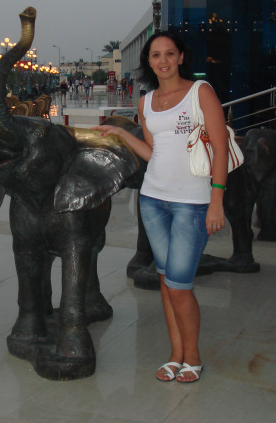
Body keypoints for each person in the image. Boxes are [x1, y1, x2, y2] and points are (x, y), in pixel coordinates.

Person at [93, 31, 228, 384]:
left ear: (181, 57)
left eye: (170, 53)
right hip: (153, 200)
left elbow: (221, 148)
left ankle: (193, 357)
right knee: (167, 282)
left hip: (192, 204)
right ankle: (175, 354)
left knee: (180, 285)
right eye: (156, 55)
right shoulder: (147, 101)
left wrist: (216, 200)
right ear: (149, 62)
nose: (163, 61)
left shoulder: (201, 92)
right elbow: (155, 153)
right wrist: (124, 135)